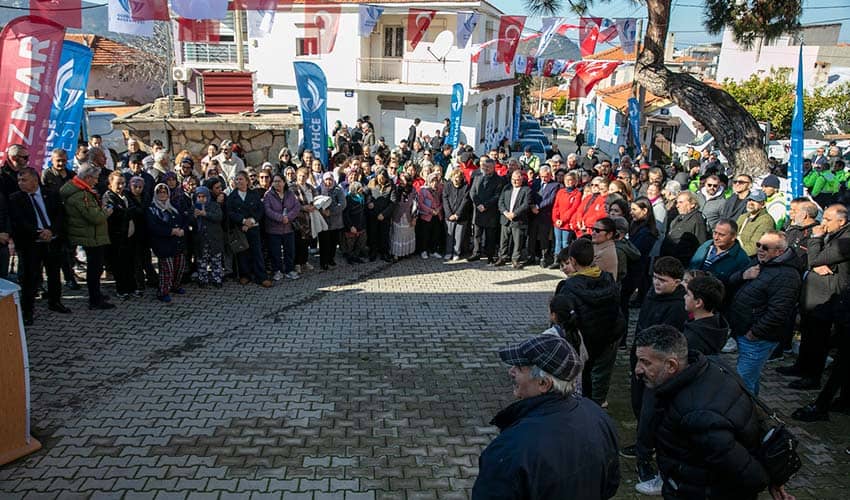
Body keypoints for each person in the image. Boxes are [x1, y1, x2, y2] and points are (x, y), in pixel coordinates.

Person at [634, 325, 792, 500]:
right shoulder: (713, 365)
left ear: (671, 365)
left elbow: (744, 470)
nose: (638, 370)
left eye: (645, 362)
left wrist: (767, 480)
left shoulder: (697, 415)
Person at [473, 334, 620, 500]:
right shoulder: (598, 416)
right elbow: (610, 484)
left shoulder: (509, 450)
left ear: (544, 384)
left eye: (520, 368)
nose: (511, 371)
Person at [623, 256, 689, 489]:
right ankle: (642, 442)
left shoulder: (678, 305)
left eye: (662, 280)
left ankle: (645, 459)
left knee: (652, 413)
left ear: (677, 282)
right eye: (654, 278)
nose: (657, 283)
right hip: (640, 360)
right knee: (638, 405)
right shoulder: (652, 295)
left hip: (658, 369)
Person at [780, 204, 850, 391]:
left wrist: (816, 239)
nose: (823, 223)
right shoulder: (836, 234)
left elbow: (815, 260)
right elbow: (817, 261)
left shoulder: (845, 239)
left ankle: (812, 376)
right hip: (815, 294)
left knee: (819, 339)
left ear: (841, 221)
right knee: (808, 333)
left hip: (829, 297)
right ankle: (801, 366)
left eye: (828, 219)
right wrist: (817, 261)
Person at [726, 231, 803, 395]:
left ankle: (745, 415)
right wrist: (743, 275)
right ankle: (752, 412)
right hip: (744, 329)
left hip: (758, 338)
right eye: (758, 245)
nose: (760, 249)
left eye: (765, 247)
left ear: (779, 252)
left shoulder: (787, 275)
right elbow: (731, 281)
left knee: (742, 382)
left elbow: (779, 312)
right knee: (749, 379)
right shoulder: (760, 262)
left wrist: (755, 333)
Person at [555, 238, 625, 405]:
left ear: (572, 260)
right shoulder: (608, 279)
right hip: (608, 337)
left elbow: (565, 320)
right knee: (601, 377)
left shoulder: (569, 287)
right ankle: (598, 406)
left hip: (584, 343)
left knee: (583, 379)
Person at [8, 167, 70, 325]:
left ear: (35, 180)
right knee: (30, 278)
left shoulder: (50, 194)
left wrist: (51, 231)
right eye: (19, 180)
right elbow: (19, 221)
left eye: (24, 180)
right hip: (31, 243)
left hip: (52, 240)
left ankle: (55, 301)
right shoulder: (15, 198)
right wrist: (38, 233)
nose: (20, 183)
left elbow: (60, 215)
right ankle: (27, 311)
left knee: (54, 273)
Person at [60, 164, 115, 310]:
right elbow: (94, 217)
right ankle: (94, 299)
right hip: (90, 235)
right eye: (95, 178)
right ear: (88, 177)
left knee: (96, 268)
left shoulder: (83, 190)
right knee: (94, 268)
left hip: (92, 234)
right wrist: (106, 212)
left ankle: (96, 294)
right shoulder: (80, 195)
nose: (97, 181)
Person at [147, 184, 190, 302]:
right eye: (159, 192)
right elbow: (153, 227)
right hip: (163, 244)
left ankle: (175, 286)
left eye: (164, 192)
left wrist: (182, 229)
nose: (162, 194)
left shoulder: (174, 206)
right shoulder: (152, 209)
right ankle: (163, 291)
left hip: (178, 243)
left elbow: (185, 219)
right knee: (167, 270)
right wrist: (171, 231)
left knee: (179, 267)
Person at [228, 171, 271, 287]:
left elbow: (260, 210)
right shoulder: (232, 197)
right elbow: (230, 212)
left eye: (241, 179)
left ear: (247, 181)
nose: (238, 182)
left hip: (253, 227)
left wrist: (251, 221)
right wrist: (242, 221)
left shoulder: (254, 194)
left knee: (257, 252)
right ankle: (245, 275)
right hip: (240, 229)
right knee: (243, 253)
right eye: (237, 180)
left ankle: (261, 277)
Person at [102, 171, 136, 299]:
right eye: (118, 183)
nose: (121, 186)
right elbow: (116, 213)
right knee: (118, 264)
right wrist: (125, 213)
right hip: (115, 236)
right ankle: (121, 289)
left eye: (123, 183)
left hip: (127, 235)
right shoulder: (108, 197)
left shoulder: (126, 195)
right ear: (110, 184)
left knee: (128, 263)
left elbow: (133, 209)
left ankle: (130, 287)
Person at [688, 218, 751, 287]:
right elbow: (692, 266)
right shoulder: (707, 245)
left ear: (733, 237)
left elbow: (734, 285)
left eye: (721, 235)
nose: (716, 237)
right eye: (715, 233)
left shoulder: (741, 259)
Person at [264, 173, 302, 281]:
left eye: (279, 181)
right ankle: (277, 270)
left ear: (284, 182)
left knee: (289, 251)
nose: (277, 184)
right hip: (273, 229)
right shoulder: (268, 195)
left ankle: (289, 270)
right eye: (275, 181)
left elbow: (297, 206)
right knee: (275, 252)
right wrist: (281, 218)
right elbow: (267, 210)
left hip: (288, 228)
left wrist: (288, 217)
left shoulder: (290, 194)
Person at [468, 158, 504, 263]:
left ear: (493, 167)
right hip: (478, 211)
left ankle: (490, 255)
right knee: (477, 235)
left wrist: (485, 205)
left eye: (488, 167)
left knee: (490, 236)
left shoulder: (499, 180)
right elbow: (472, 192)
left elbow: (497, 195)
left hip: (490, 212)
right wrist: (478, 204)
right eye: (484, 166)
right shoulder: (477, 177)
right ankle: (476, 253)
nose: (486, 169)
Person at [683, 274, 729, 355]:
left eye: (688, 294)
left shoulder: (692, 339)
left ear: (698, 303)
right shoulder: (718, 324)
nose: (684, 297)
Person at [660, 191, 708, 267]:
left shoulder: (697, 220)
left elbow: (701, 245)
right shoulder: (678, 217)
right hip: (669, 261)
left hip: (683, 264)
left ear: (692, 204)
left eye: (681, 202)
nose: (677, 205)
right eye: (677, 202)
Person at [494, 170, 531, 269]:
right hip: (505, 219)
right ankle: (503, 257)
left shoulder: (526, 190)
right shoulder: (507, 188)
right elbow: (500, 202)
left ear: (521, 179)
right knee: (503, 241)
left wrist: (514, 214)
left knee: (517, 242)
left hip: (518, 220)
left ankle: (515, 259)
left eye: (517, 180)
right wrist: (505, 212)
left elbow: (526, 205)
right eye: (513, 179)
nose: (514, 181)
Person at [192, 186, 224, 288]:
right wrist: (194, 217)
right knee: (202, 260)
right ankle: (202, 279)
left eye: (203, 196)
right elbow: (190, 222)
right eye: (199, 196)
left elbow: (218, 217)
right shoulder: (194, 207)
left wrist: (205, 214)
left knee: (216, 260)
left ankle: (217, 279)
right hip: (201, 240)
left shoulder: (214, 205)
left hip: (214, 238)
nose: (201, 199)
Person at [527, 165, 559, 267]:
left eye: (546, 176)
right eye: (542, 176)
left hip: (544, 215)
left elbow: (550, 199)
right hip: (533, 214)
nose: (544, 179)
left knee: (544, 238)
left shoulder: (555, 185)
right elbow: (530, 195)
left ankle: (544, 257)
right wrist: (532, 206)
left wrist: (537, 207)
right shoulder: (536, 183)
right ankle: (531, 256)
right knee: (531, 236)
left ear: (550, 175)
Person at [551, 172, 581, 265]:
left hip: (567, 222)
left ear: (575, 181)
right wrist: (556, 219)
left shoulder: (577, 193)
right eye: (566, 180)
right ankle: (556, 260)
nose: (568, 182)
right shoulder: (561, 192)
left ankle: (565, 261)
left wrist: (563, 220)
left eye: (570, 180)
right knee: (557, 241)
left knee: (565, 243)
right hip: (558, 222)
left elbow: (573, 209)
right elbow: (556, 206)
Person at [317, 171, 346, 270]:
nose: (328, 182)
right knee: (324, 242)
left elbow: (342, 204)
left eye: (330, 179)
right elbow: (315, 202)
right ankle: (323, 262)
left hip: (335, 221)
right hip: (323, 220)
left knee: (333, 241)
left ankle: (331, 258)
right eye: (326, 180)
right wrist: (322, 211)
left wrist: (332, 211)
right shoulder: (319, 189)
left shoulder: (338, 190)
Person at [366, 168, 395, 262]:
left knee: (384, 235)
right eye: (379, 178)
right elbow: (366, 195)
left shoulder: (391, 186)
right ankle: (373, 252)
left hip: (384, 216)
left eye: (383, 178)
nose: (381, 180)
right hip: (373, 215)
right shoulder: (371, 184)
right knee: (373, 234)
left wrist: (384, 214)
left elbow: (393, 203)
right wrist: (369, 202)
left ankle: (384, 253)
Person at [736, 190, 776, 257]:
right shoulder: (743, 217)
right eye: (749, 200)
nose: (750, 203)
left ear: (763, 204)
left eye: (755, 201)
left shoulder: (766, 221)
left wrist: (735, 255)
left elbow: (754, 247)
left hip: (749, 258)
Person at [442, 168, 470, 261]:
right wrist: (449, 214)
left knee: (459, 236)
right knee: (449, 235)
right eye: (455, 177)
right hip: (449, 216)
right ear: (452, 177)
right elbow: (445, 200)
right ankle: (448, 252)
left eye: (458, 177)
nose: (456, 179)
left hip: (461, 216)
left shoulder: (466, 187)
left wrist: (457, 214)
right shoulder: (447, 186)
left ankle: (456, 253)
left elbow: (465, 201)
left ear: (462, 178)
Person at [389, 173, 417, 260]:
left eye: (403, 180)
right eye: (400, 180)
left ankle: (406, 252)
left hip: (408, 217)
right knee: (397, 235)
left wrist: (414, 218)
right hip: (397, 216)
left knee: (407, 235)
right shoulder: (396, 189)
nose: (400, 182)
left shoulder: (413, 190)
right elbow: (392, 203)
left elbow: (416, 204)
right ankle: (396, 253)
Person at [341, 181, 368, 264]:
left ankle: (356, 256)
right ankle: (349, 257)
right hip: (352, 224)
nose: (361, 190)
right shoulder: (348, 198)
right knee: (350, 243)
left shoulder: (362, 197)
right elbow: (345, 214)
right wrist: (350, 226)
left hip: (361, 224)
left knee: (360, 242)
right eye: (359, 189)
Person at [417, 172, 443, 259]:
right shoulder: (423, 190)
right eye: (432, 181)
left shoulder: (439, 189)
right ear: (428, 181)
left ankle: (433, 250)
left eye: (436, 181)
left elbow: (441, 201)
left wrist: (439, 209)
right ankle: (423, 250)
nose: (434, 183)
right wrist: (430, 210)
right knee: (425, 234)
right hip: (426, 215)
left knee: (435, 233)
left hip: (437, 214)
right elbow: (420, 203)